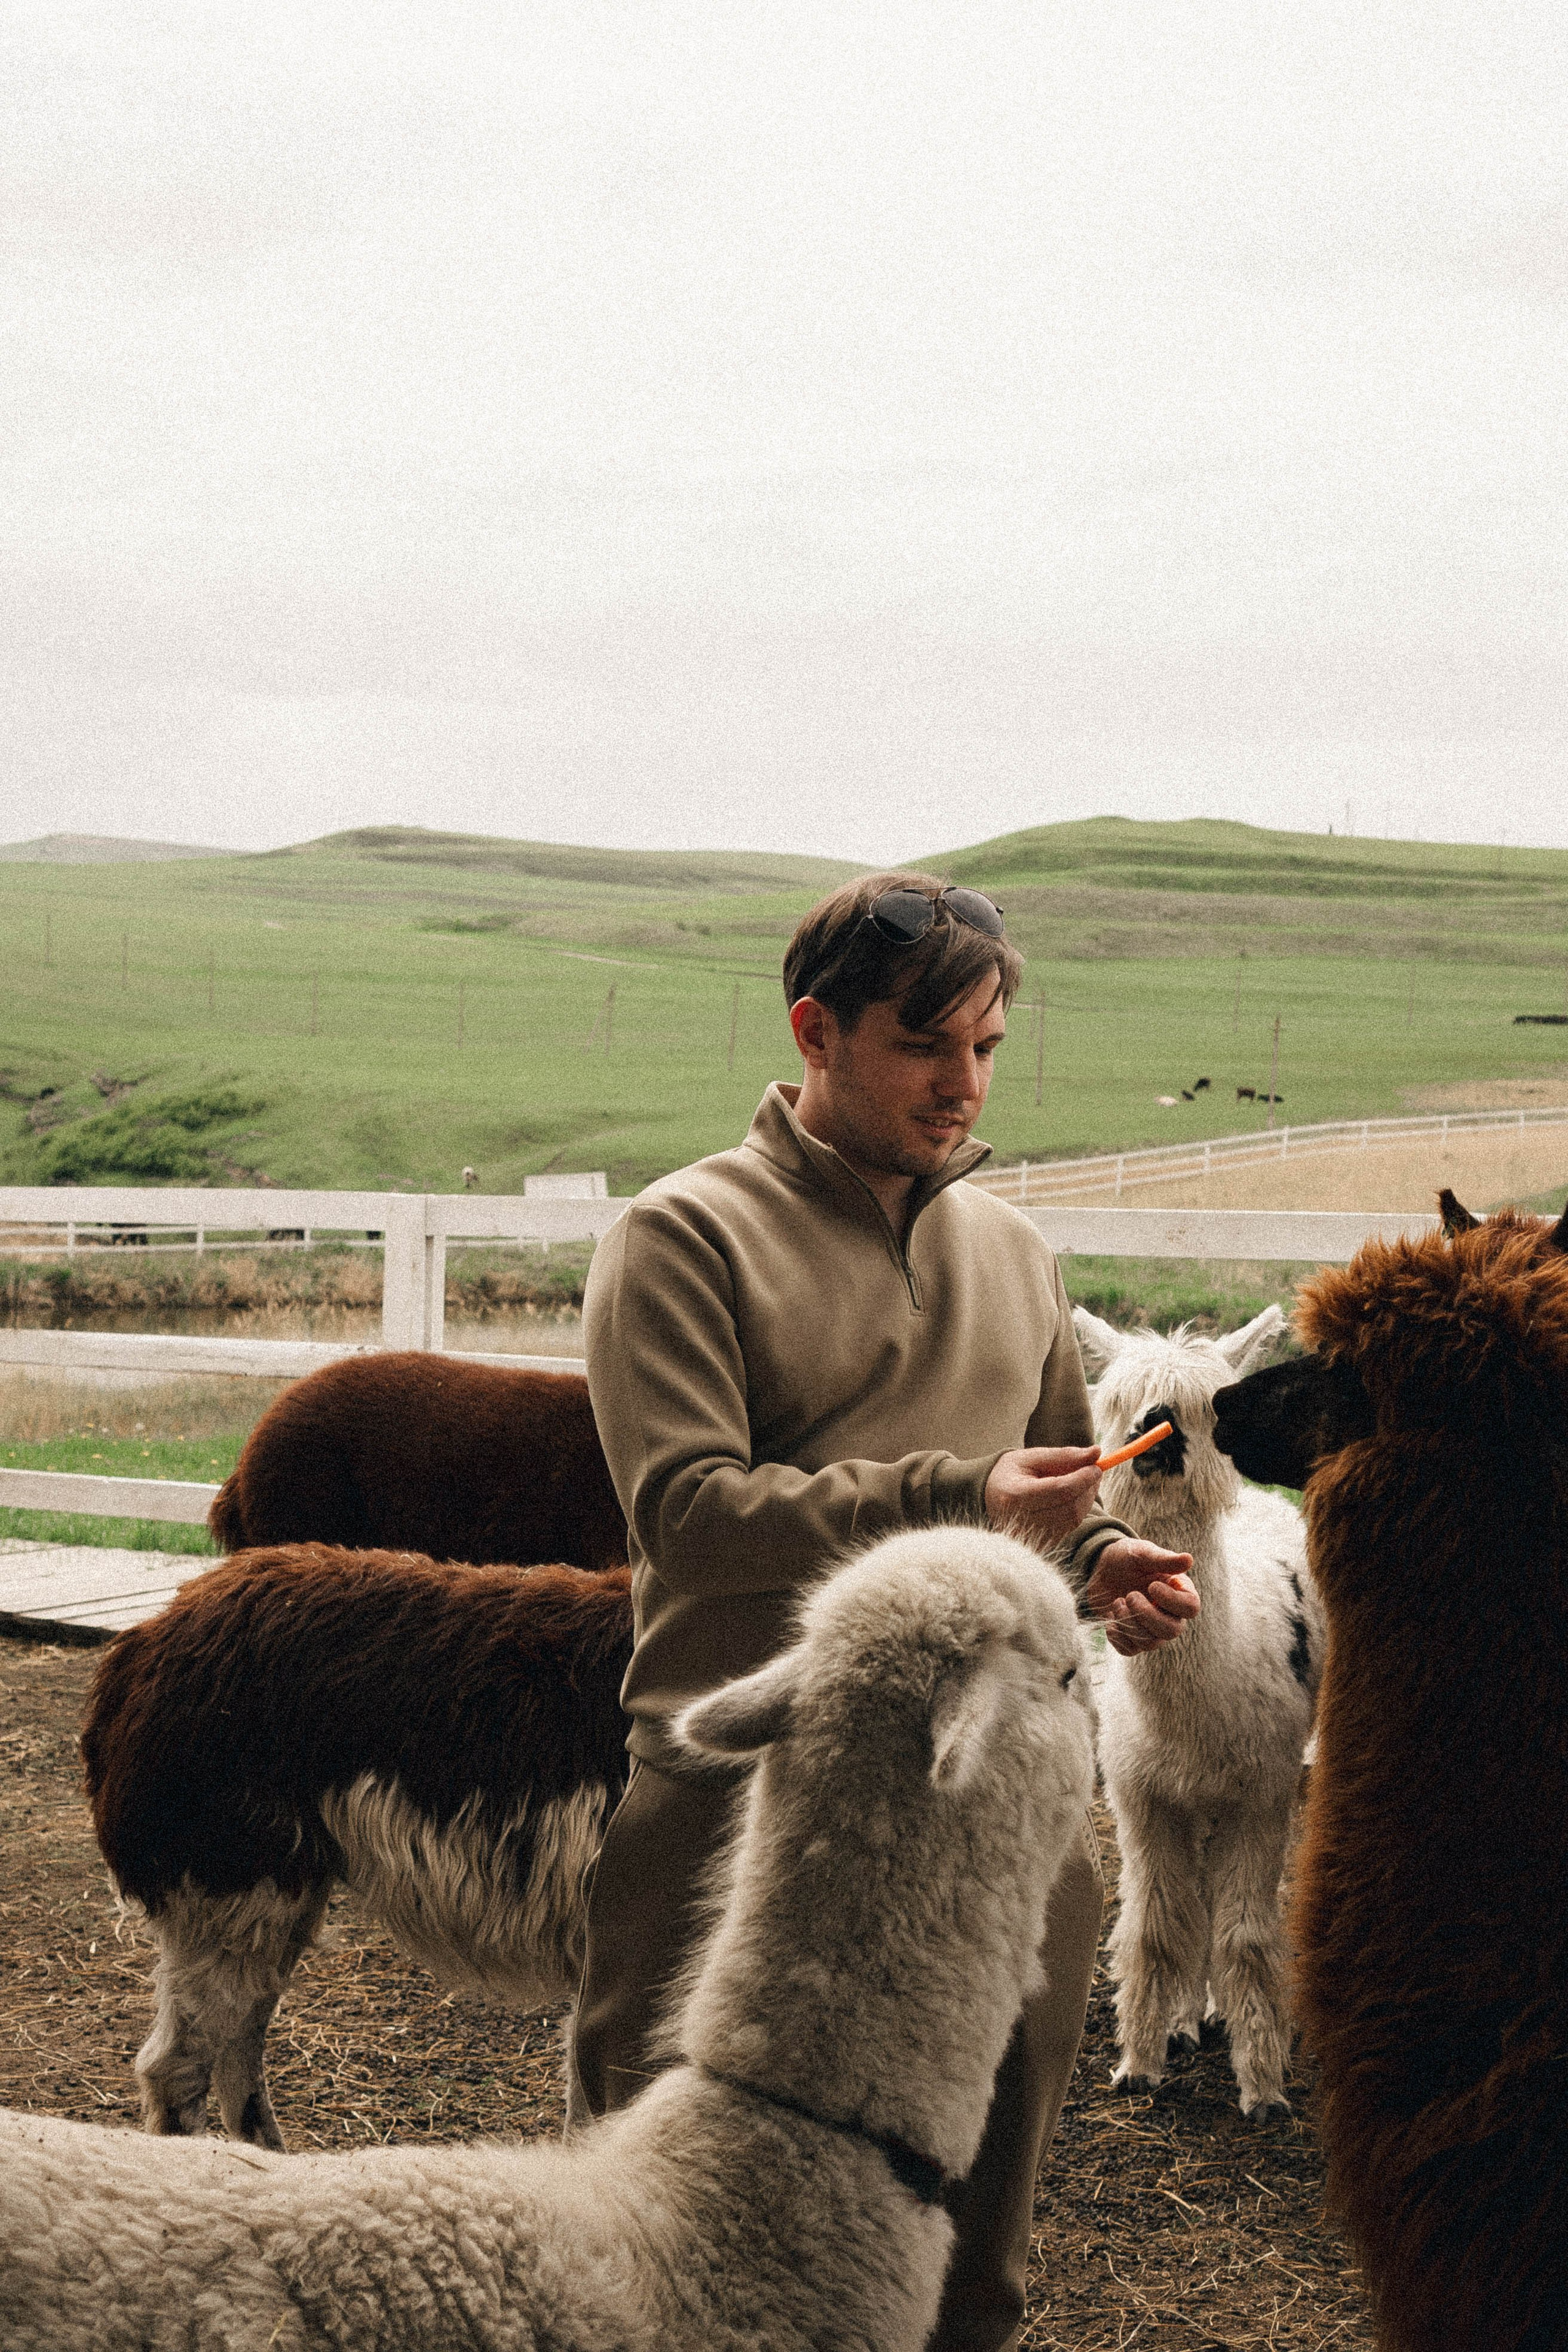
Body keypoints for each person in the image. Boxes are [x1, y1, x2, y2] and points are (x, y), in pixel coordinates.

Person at [573, 870, 1198, 2352]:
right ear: (816, 1030)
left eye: (983, 1047)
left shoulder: (1016, 1254)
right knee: (652, 2261)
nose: (962, 1082)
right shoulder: (678, 1240)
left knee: (969, 2263)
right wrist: (959, 1497)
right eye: (926, 1044)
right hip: (738, 1797)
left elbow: (1049, 1494)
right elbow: (688, 1518)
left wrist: (1097, 1558)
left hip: (1002, 1811)